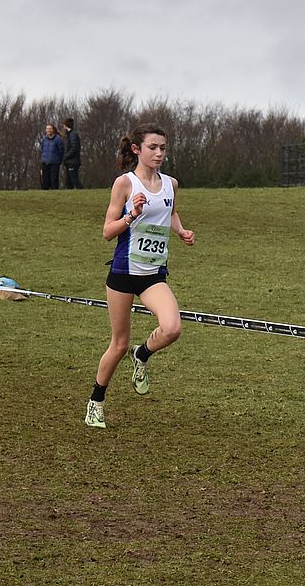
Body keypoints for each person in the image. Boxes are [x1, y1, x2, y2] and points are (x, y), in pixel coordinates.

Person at [85, 123, 195, 429]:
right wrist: (131, 215)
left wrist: (181, 230)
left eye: (163, 148)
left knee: (172, 328)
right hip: (123, 272)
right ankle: (96, 401)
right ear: (137, 149)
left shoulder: (171, 184)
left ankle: (143, 353)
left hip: (153, 274)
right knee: (118, 345)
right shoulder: (125, 184)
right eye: (153, 148)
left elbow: (169, 211)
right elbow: (107, 232)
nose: (159, 153)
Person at [40, 123, 64, 190]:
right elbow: (42, 150)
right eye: (47, 129)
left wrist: (59, 161)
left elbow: (61, 151)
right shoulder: (44, 140)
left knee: (54, 181)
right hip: (45, 163)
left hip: (54, 163)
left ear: (53, 130)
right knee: (45, 181)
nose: (48, 130)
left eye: (50, 129)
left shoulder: (58, 139)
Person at [62, 117, 82, 189]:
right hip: (70, 162)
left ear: (65, 125)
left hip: (73, 162)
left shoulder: (72, 135)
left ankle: (80, 191)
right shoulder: (69, 135)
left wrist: (66, 156)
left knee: (74, 180)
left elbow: (74, 148)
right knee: (68, 181)